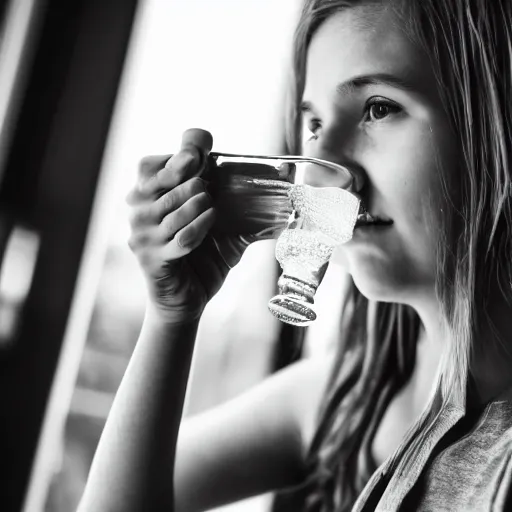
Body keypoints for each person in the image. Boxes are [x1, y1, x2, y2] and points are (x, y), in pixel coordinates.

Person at [78, 0, 512, 510]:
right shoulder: (347, 398)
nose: (321, 166)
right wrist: (172, 317)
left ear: (495, 121)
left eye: (379, 108)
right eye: (313, 126)